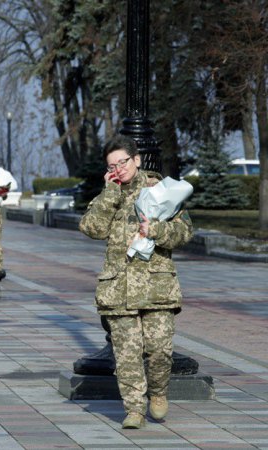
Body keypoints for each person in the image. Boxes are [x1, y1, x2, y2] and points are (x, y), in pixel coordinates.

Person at [79, 135, 193, 429]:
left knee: (159, 350)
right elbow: (91, 228)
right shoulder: (109, 194)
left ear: (137, 159)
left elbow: (184, 233)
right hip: (119, 289)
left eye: (123, 162)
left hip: (157, 287)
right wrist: (109, 194)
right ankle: (133, 410)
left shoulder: (161, 190)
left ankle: (158, 392)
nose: (119, 168)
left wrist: (154, 229)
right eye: (112, 165)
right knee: (126, 355)